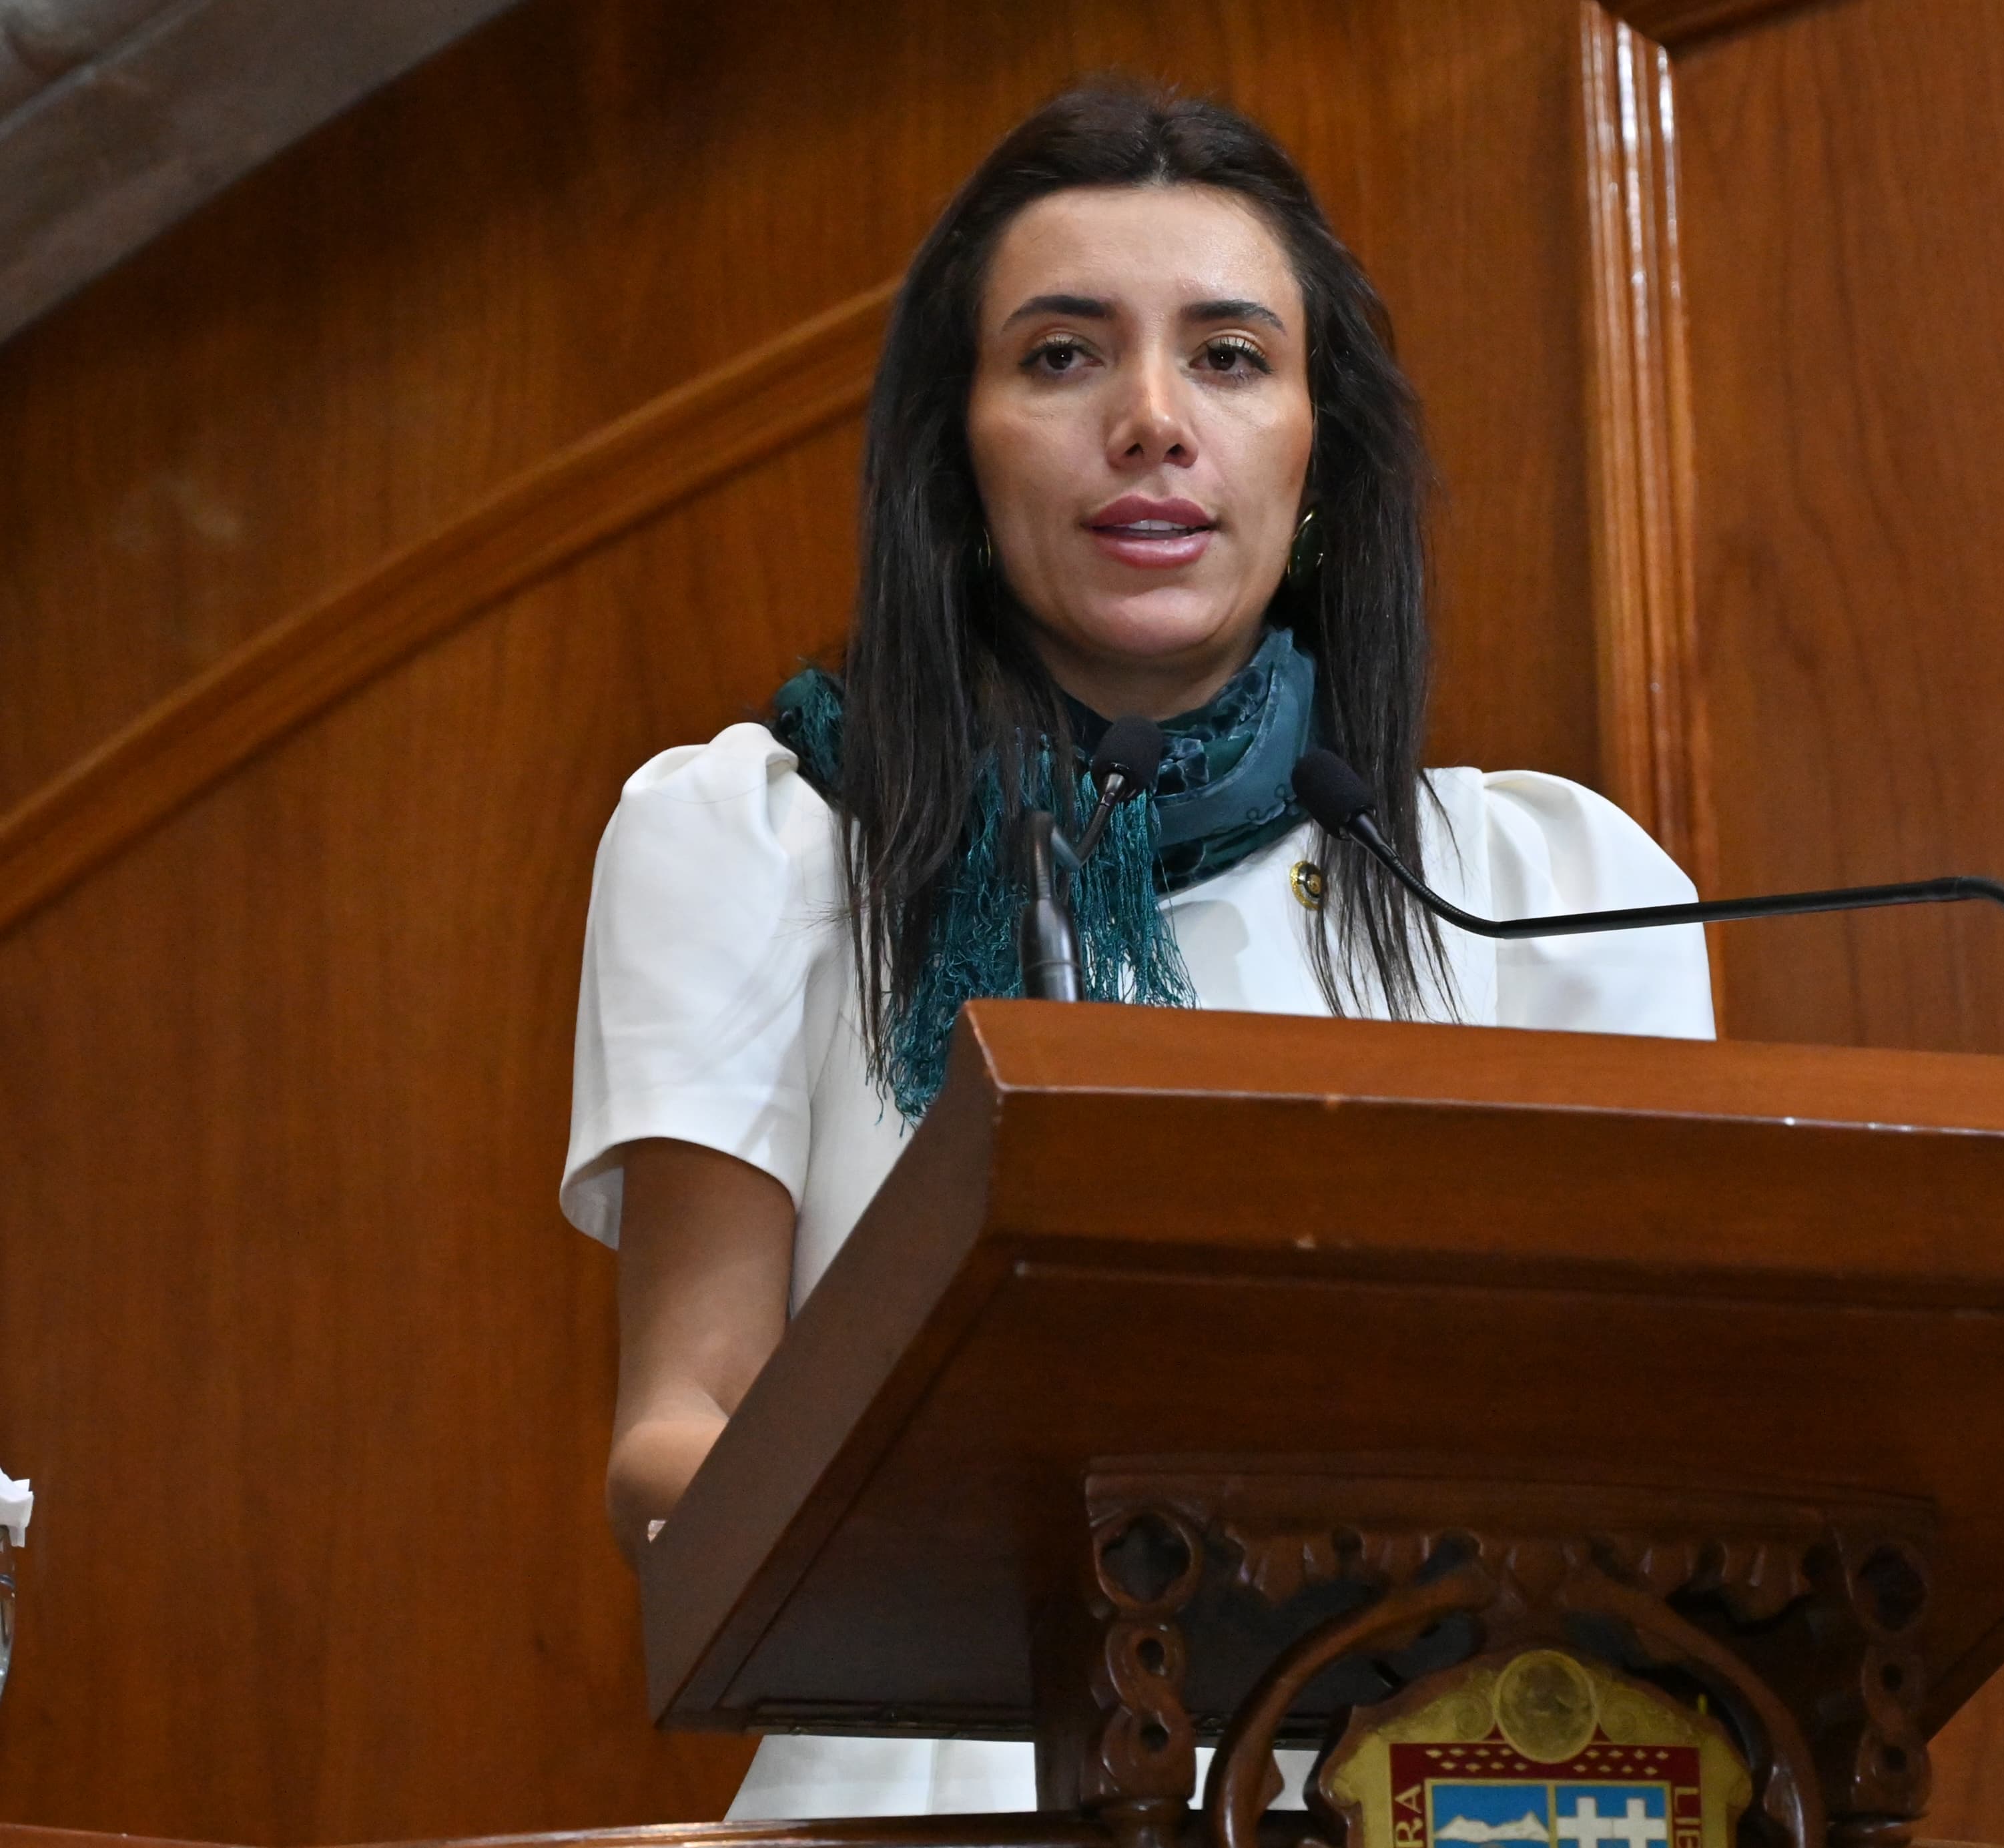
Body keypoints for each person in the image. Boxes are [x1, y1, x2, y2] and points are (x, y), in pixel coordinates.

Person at [557, 81, 1712, 1823]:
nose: (1154, 420)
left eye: (1231, 357)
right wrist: (960, 1556)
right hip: (924, 1783)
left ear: (1319, 457)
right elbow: (681, 1421)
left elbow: (1662, 1446)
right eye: (1063, 356)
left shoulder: (1542, 886)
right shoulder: (763, 839)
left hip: (1414, 1795)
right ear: (957, 456)